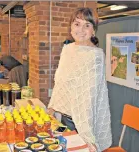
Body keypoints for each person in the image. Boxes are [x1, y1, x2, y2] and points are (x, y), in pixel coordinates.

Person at [47, 8, 112, 152]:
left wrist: (87, 134)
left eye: (87, 25)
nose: (81, 29)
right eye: (77, 24)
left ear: (93, 31)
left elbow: (89, 97)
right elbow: (60, 84)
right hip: (62, 117)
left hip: (81, 122)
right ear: (70, 26)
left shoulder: (95, 56)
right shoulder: (67, 49)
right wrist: (51, 108)